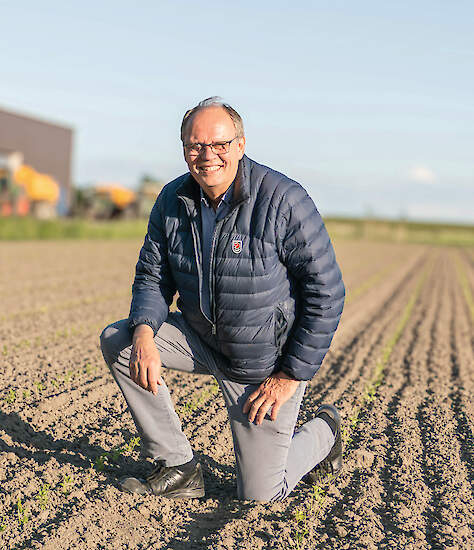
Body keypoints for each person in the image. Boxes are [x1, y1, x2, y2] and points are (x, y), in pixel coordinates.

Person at [99, 97, 345, 501]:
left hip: (260, 362)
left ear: (241, 145)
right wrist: (144, 335)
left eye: (220, 145)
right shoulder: (172, 199)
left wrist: (288, 377)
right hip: (201, 336)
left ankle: (326, 431)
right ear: (183, 148)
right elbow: (152, 275)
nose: (207, 156)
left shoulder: (283, 200)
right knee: (121, 339)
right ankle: (178, 466)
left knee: (262, 494)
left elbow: (327, 293)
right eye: (195, 146)